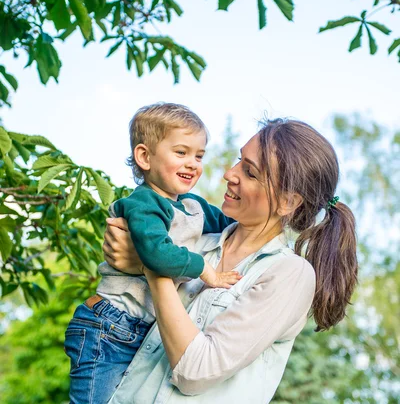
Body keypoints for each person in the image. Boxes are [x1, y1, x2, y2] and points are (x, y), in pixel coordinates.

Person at [102, 118, 358, 404]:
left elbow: (195, 371)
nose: (228, 174)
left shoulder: (289, 273)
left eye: (249, 172)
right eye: (239, 161)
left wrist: (152, 265)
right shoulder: (197, 240)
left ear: (287, 202)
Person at [64, 103, 240, 404]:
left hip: (142, 330)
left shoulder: (194, 206)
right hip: (109, 327)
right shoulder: (143, 203)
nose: (193, 164)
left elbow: (235, 226)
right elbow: (157, 254)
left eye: (199, 156)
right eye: (181, 152)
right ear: (144, 157)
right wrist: (205, 270)